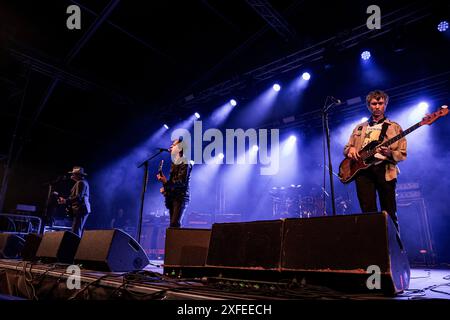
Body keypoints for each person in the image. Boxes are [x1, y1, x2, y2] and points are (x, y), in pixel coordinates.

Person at [343, 90, 407, 230]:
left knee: (389, 211)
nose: (377, 106)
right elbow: (347, 147)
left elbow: (402, 153)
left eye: (380, 103)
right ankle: (373, 246)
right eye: (374, 103)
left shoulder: (394, 127)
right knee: (368, 212)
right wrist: (350, 150)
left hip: (385, 170)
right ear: (369, 106)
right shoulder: (359, 128)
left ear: (385, 105)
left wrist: (390, 153)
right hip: (363, 172)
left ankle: (393, 248)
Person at [156, 138, 192, 228]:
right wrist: (165, 186)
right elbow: (173, 182)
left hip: (180, 197)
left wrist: (166, 182)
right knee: (172, 225)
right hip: (173, 196)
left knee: (174, 224)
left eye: (174, 144)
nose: (171, 146)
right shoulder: (174, 163)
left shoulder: (185, 161)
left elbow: (181, 182)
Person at [57, 166, 91, 237]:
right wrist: (65, 200)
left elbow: (78, 197)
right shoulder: (81, 182)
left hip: (81, 209)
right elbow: (77, 196)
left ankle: (75, 246)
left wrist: (65, 200)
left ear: (78, 175)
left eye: (73, 174)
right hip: (81, 209)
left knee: (76, 230)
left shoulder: (80, 183)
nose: (72, 175)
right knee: (76, 229)